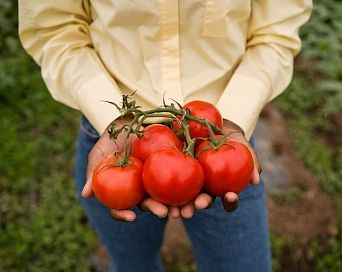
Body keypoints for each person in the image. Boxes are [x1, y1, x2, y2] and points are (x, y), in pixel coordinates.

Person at [19, 1, 312, 271]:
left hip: (222, 140)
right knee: (133, 265)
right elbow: (55, 28)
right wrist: (117, 120)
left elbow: (276, 31)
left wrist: (234, 116)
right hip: (118, 146)